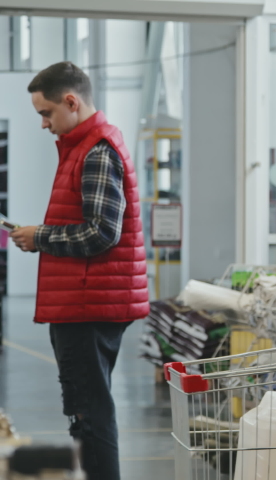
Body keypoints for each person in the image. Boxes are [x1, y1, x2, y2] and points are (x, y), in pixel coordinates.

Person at [10, 61, 149, 480]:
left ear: (71, 102)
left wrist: (42, 237)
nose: (43, 124)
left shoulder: (97, 150)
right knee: (86, 411)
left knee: (90, 415)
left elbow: (102, 233)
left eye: (46, 113)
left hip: (90, 305)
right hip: (87, 299)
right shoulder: (83, 146)